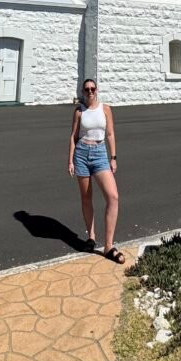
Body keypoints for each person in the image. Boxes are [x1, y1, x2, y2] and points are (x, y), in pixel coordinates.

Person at [68, 78, 124, 264]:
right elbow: (73, 137)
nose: (90, 92)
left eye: (93, 89)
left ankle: (109, 245)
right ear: (82, 92)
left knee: (113, 196)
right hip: (82, 153)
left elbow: (110, 134)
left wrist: (113, 157)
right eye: (86, 89)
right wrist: (70, 160)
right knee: (86, 197)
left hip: (100, 153)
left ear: (97, 90)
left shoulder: (105, 109)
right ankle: (91, 237)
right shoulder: (79, 111)